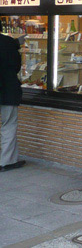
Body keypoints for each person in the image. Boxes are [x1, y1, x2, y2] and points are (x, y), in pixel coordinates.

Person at [0, 32, 24, 172]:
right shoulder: (9, 43)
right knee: (8, 124)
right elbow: (16, 66)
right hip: (8, 90)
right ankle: (6, 161)